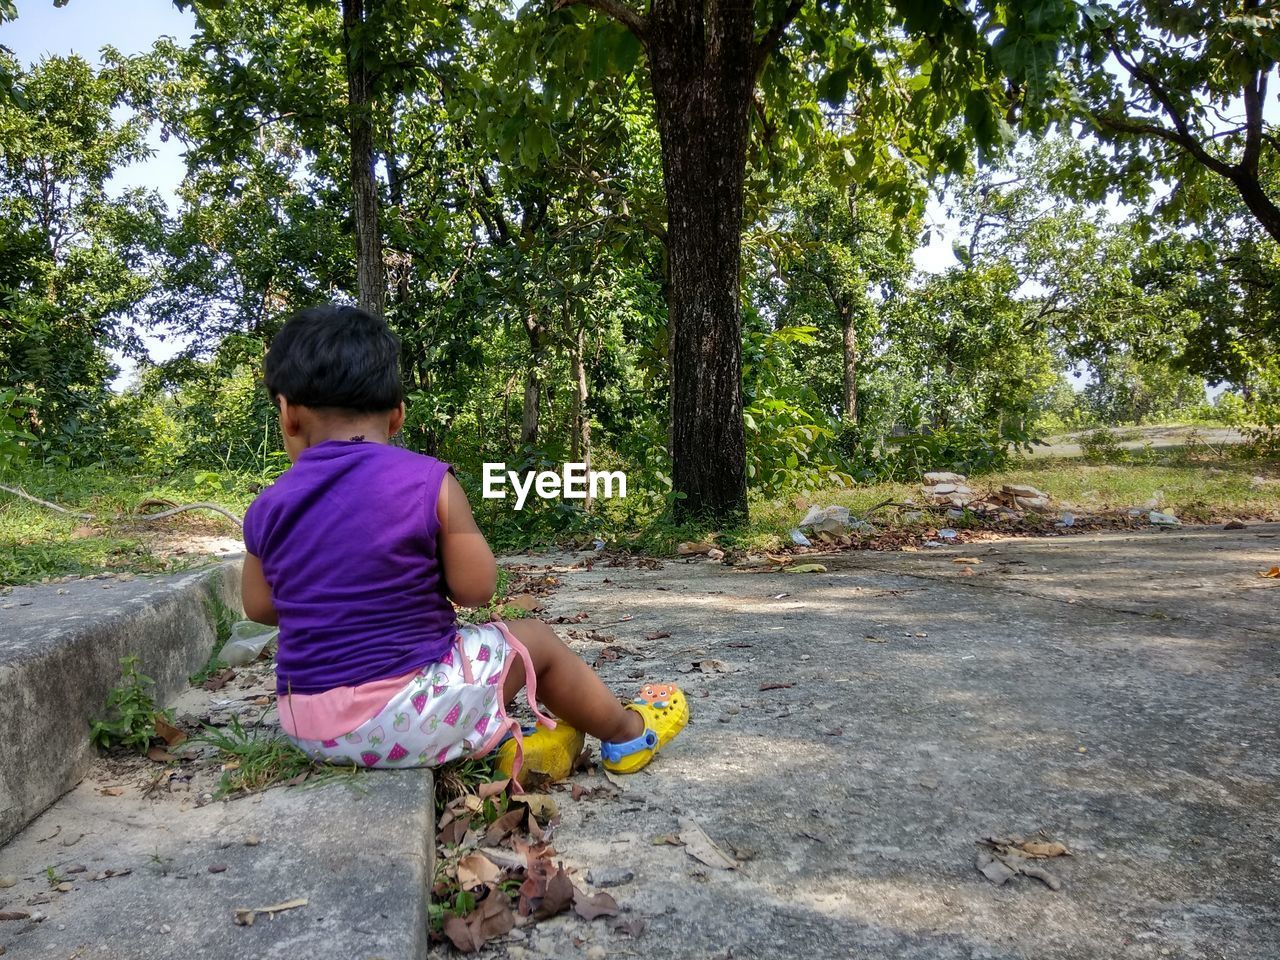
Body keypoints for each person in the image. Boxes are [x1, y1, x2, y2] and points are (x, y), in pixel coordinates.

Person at [240, 303, 686, 784]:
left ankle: (496, 738)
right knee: (533, 640)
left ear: (287, 413)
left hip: (308, 725)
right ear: (397, 416)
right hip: (403, 721)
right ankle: (626, 732)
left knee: (459, 665)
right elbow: (476, 587)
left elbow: (260, 607)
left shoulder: (268, 505)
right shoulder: (427, 482)